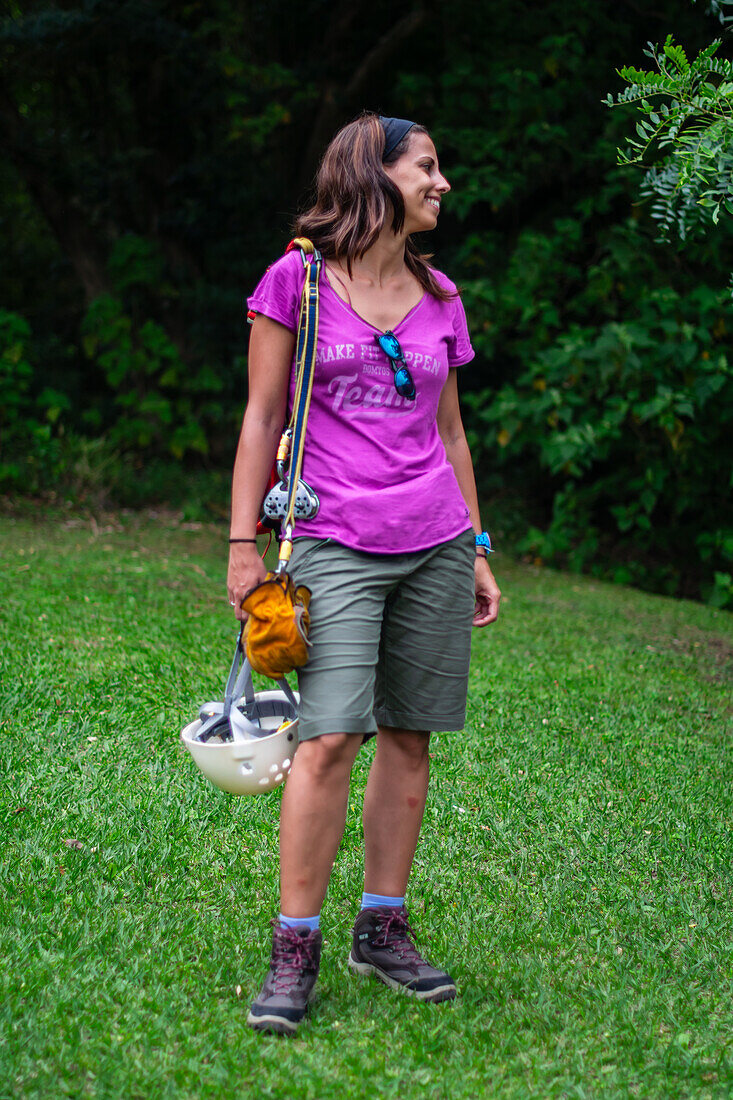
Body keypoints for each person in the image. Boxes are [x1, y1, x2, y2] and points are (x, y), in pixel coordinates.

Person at [227, 112, 501, 1035]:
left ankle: (382, 928)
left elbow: (451, 432)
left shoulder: (439, 294)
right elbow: (263, 419)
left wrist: (476, 545)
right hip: (332, 537)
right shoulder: (297, 280)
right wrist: (240, 544)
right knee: (328, 739)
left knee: (410, 736)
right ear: (374, 175)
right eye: (427, 167)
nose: (441, 184)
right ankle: (293, 946)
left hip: (433, 538)